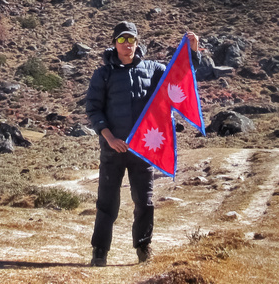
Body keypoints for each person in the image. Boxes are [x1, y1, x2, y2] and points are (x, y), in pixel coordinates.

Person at [84, 21, 200, 266]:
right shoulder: (102, 74)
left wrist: (192, 52)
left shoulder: (152, 69)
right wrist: (110, 138)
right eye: (122, 40)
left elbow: (178, 79)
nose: (127, 45)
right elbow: (93, 109)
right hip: (112, 150)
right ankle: (99, 252)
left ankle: (143, 249)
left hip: (142, 150)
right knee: (107, 203)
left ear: (137, 42)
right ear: (114, 43)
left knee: (144, 201)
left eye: (131, 40)